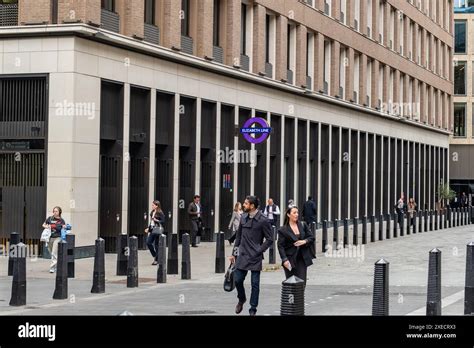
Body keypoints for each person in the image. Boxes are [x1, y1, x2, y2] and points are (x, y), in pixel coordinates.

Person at [228, 195, 273, 316]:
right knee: (237, 280)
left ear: (252, 206)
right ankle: (241, 299)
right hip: (242, 255)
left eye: (246, 203)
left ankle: (253, 308)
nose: (243, 205)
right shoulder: (243, 217)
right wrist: (233, 254)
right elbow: (238, 237)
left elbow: (270, 239)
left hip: (255, 256)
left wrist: (259, 250)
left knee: (255, 284)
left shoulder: (263, 220)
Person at [277, 206, 315, 285]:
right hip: (290, 260)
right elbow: (280, 246)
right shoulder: (283, 230)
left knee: (302, 283)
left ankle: (299, 297)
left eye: (297, 212)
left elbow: (311, 237)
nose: (297, 215)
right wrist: (284, 260)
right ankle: (292, 298)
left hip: (302, 258)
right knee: (291, 283)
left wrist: (304, 241)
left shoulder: (303, 224)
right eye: (294, 213)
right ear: (288, 214)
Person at [42, 206, 66, 273]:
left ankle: (52, 268)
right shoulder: (50, 218)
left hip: (57, 237)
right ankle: (56, 265)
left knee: (54, 252)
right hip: (50, 237)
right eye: (54, 211)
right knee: (51, 252)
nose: (55, 213)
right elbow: (43, 225)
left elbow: (64, 227)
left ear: (59, 212)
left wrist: (64, 227)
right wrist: (47, 226)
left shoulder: (61, 220)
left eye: (56, 211)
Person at [145, 200, 166, 265]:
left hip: (157, 230)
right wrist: (148, 228)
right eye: (152, 205)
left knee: (156, 245)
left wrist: (156, 220)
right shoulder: (152, 212)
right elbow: (151, 222)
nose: (152, 206)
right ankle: (155, 255)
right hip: (152, 229)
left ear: (157, 206)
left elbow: (163, 221)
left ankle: (156, 260)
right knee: (148, 243)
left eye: (153, 205)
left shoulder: (160, 213)